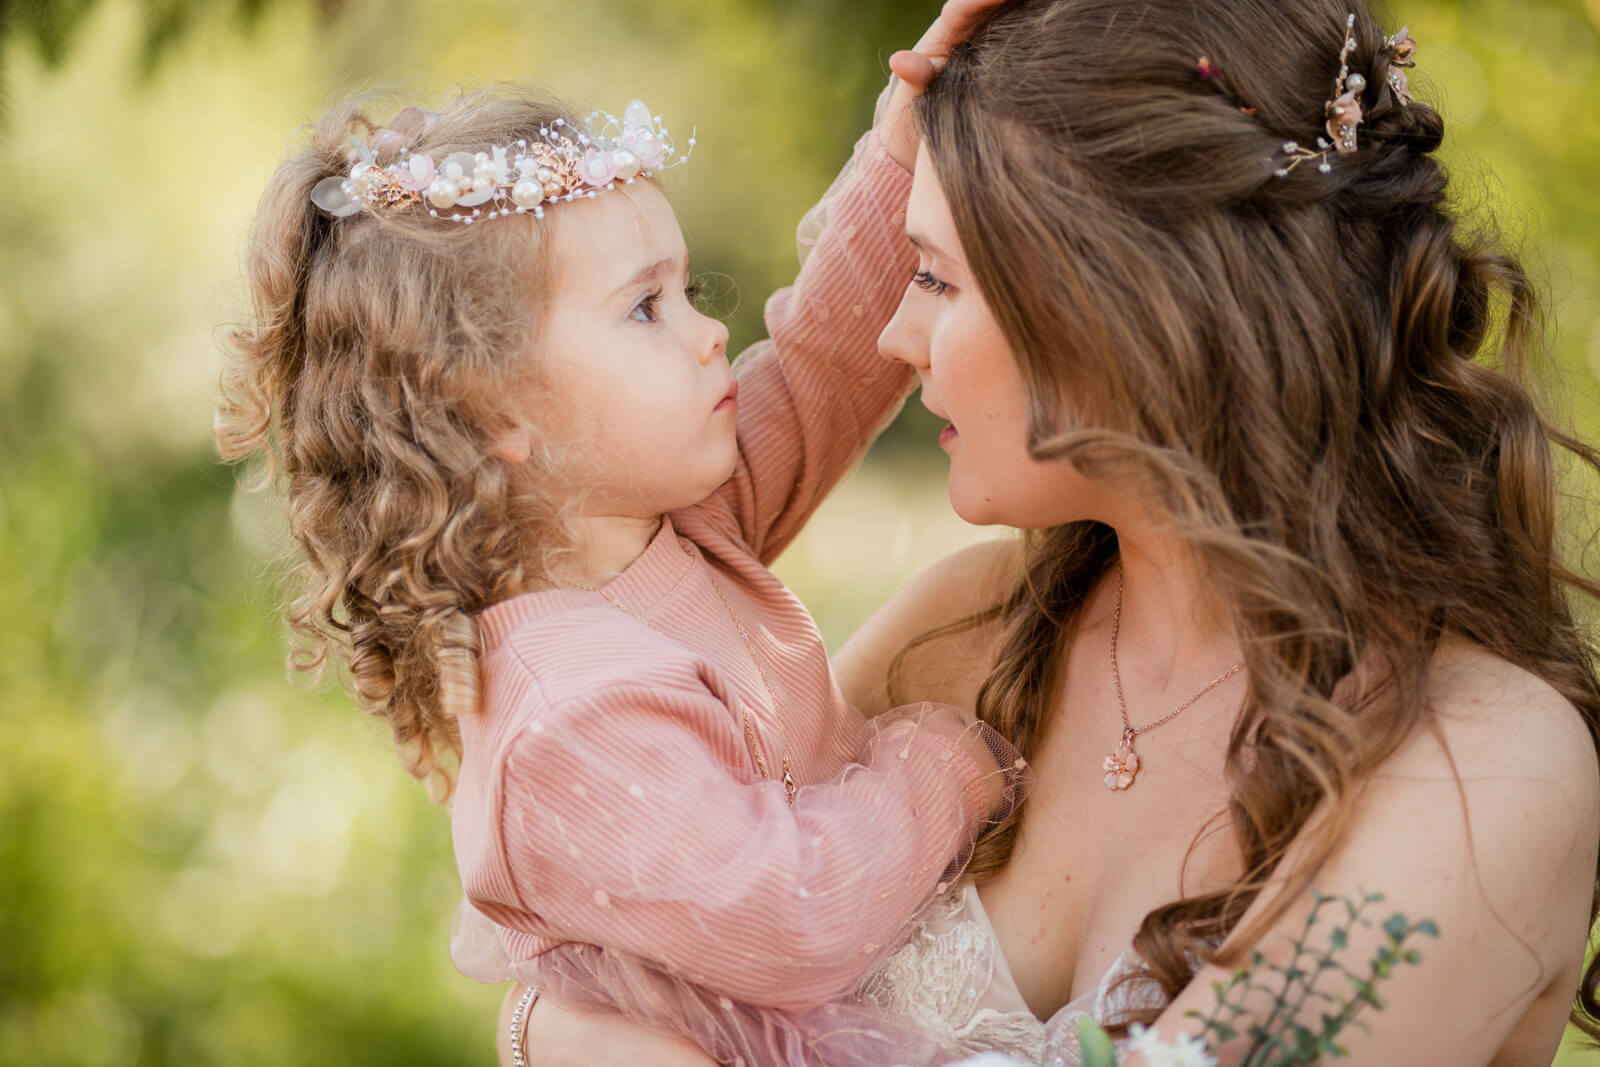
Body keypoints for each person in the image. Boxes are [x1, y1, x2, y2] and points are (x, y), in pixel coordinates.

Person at [521, 0, 1600, 1064]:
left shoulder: (1479, 765)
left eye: (936, 277)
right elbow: (644, 949)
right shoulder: (956, 639)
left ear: (1133, 304)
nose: (896, 336)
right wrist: (544, 1026)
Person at [213, 4, 1030, 1062]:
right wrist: (945, 758)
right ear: (495, 408)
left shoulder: (680, 523)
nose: (708, 334)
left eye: (685, 288)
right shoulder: (566, 716)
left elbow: (826, 362)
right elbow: (800, 914)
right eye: (646, 307)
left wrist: (901, 136)